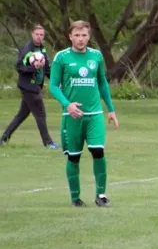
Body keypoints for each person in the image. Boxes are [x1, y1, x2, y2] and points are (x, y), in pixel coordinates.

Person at [49, 20, 119, 207]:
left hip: (94, 114)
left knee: (98, 151)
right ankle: (75, 198)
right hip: (72, 116)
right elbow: (53, 86)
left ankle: (101, 195)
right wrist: (67, 105)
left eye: (84, 35)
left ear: (89, 36)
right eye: (77, 35)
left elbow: (102, 83)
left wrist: (111, 109)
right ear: (70, 36)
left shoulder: (96, 56)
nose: (81, 39)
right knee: (74, 156)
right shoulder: (61, 57)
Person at [0, 25, 59, 148]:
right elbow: (19, 67)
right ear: (32, 34)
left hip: (35, 87)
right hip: (29, 87)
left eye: (41, 35)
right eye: (37, 34)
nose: (39, 37)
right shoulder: (27, 49)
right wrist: (33, 68)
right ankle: (48, 143)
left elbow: (47, 69)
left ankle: (3, 139)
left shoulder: (42, 49)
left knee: (21, 115)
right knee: (41, 114)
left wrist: (56, 81)